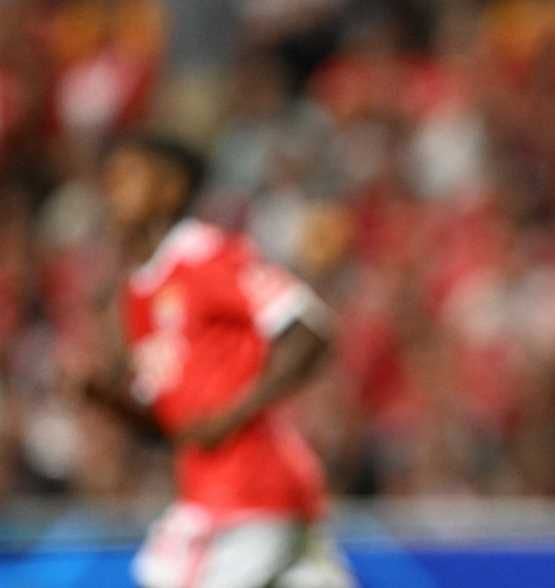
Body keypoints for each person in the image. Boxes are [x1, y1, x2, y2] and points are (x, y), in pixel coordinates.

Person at [90, 133, 356, 588]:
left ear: (171, 188)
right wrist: (106, 400)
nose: (113, 188)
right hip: (229, 494)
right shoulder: (138, 292)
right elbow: (174, 426)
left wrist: (231, 417)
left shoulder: (206, 255)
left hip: (245, 494)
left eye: (129, 175)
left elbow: (308, 330)